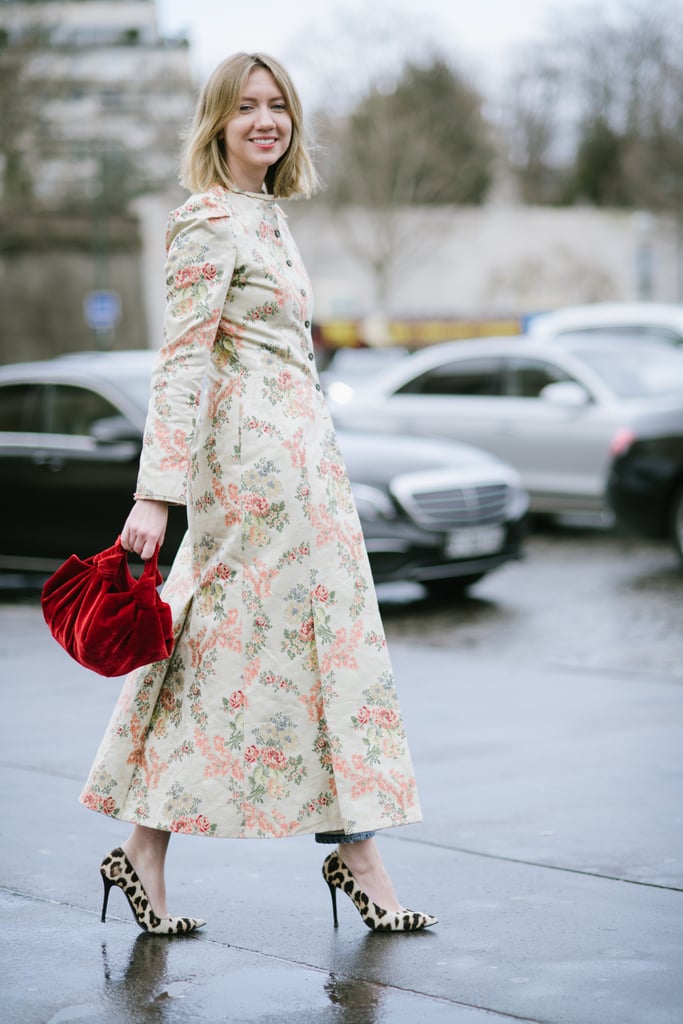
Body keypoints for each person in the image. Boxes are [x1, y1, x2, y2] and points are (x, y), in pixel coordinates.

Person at [81, 52, 437, 935]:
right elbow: (181, 362)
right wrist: (155, 496)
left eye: (277, 106)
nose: (264, 120)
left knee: (322, 661)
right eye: (245, 108)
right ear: (217, 124)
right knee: (220, 659)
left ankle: (313, 853)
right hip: (247, 485)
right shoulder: (206, 221)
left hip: (306, 477)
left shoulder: (268, 218)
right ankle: (174, 849)